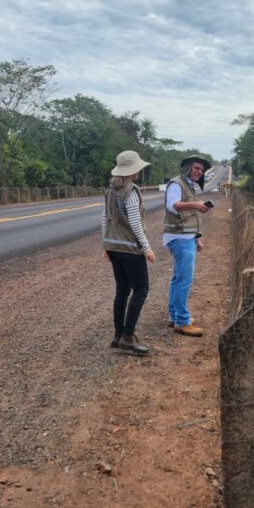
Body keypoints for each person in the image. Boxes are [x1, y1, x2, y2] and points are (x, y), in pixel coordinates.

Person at [101, 150, 156, 355]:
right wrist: (147, 247)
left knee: (122, 291)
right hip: (129, 248)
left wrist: (105, 244)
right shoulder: (130, 190)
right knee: (141, 290)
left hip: (113, 246)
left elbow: (104, 217)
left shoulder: (110, 189)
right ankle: (127, 336)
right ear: (134, 169)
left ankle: (118, 335)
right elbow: (134, 221)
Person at [163, 155, 212, 336]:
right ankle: (182, 321)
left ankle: (174, 315)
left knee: (178, 278)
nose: (199, 172)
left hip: (187, 237)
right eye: (196, 168)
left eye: (201, 170)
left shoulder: (190, 186)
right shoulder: (177, 184)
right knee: (184, 280)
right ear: (188, 168)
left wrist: (197, 238)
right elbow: (173, 205)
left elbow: (192, 215)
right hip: (179, 236)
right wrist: (195, 204)